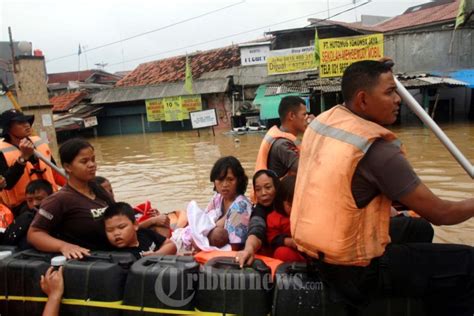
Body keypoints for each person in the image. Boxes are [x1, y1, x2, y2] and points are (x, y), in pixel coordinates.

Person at [290, 60, 474, 315]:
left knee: (418, 228)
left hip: (318, 256)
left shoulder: (323, 122)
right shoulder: (378, 150)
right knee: (468, 264)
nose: (398, 99)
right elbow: (442, 213)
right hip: (359, 273)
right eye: (389, 92)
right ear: (363, 100)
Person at [27, 138, 114, 259]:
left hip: (115, 254)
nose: (92, 165)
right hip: (92, 261)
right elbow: (34, 234)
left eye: (93, 160)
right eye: (84, 161)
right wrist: (64, 246)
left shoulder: (99, 190)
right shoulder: (58, 200)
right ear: (68, 167)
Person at [0, 109, 66, 215]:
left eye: (27, 121)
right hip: (23, 206)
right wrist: (23, 159)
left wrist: (75, 186)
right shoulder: (1, 151)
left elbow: (55, 172)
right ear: (8, 129)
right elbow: (6, 184)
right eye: (20, 123)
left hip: (51, 198)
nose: (27, 125)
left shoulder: (39, 142)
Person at [254, 96, 310, 178]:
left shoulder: (284, 139)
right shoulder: (282, 144)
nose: (307, 118)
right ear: (291, 116)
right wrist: (314, 131)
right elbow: (308, 170)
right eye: (304, 114)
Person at [206, 156, 252, 250]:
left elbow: (235, 246)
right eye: (220, 179)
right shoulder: (217, 198)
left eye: (230, 179)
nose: (225, 185)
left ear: (238, 181)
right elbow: (203, 220)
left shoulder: (240, 207)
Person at [236, 169, 280, 265]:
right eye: (258, 189)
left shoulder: (288, 205)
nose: (263, 193)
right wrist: (248, 249)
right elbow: (256, 229)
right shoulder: (258, 211)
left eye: (268, 187)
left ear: (277, 187)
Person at [103, 202, 176, 259]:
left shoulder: (144, 233)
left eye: (122, 227)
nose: (116, 233)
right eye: (110, 230)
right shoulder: (119, 256)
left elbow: (170, 244)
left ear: (135, 225)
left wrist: (156, 255)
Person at [2, 179, 53, 249]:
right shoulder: (24, 219)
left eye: (39, 198)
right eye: (30, 200)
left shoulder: (62, 215)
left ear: (52, 197)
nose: (34, 203)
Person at [266, 175, 305, 262]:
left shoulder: (308, 215)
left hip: (309, 254)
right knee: (282, 253)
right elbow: (272, 240)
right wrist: (288, 242)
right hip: (291, 254)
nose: (294, 208)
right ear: (281, 201)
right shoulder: (273, 219)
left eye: (297, 204)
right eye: (290, 205)